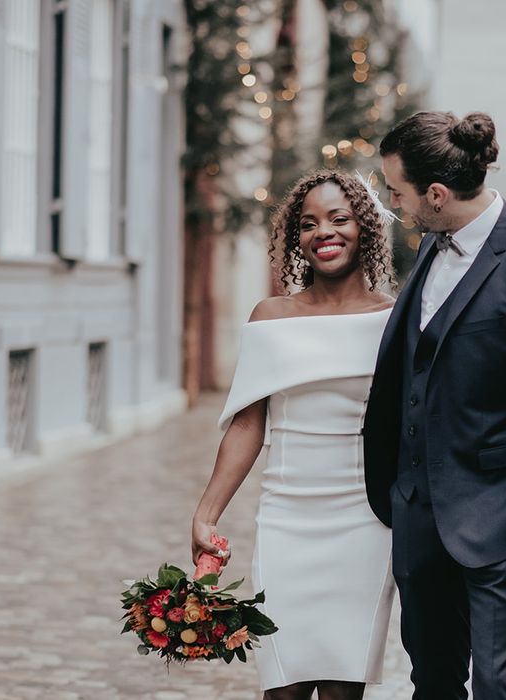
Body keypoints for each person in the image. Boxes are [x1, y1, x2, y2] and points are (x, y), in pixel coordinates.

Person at [363, 111, 506, 699]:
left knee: (500, 686)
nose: (395, 204)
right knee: (432, 682)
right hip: (418, 516)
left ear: (436, 194)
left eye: (398, 192)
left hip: (501, 521)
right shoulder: (431, 249)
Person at [191, 170, 397, 700]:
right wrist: (206, 514)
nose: (323, 232)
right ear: (296, 239)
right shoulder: (271, 318)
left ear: (365, 227)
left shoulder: (394, 319)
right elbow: (247, 422)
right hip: (286, 519)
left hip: (365, 522)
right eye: (308, 224)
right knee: (282, 688)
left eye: (338, 218)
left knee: (342, 689)